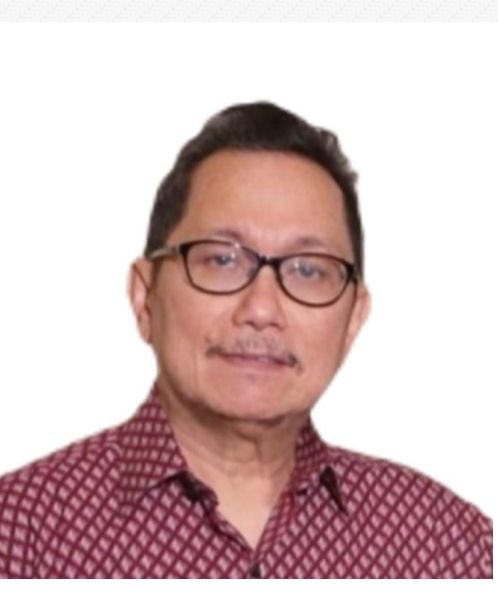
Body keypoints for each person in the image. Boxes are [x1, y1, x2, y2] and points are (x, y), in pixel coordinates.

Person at [0, 102, 492, 579]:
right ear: (145, 297)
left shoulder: (446, 546)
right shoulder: (22, 533)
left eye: (308, 270)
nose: (261, 310)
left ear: (352, 320)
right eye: (222, 260)